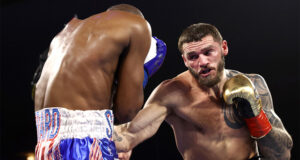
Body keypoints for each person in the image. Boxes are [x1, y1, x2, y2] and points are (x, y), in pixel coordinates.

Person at [113, 23, 293, 160]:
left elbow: (282, 154)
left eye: (208, 52)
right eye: (193, 57)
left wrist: (255, 115)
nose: (203, 62)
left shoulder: (254, 83)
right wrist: (90, 118)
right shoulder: (172, 93)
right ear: (184, 60)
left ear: (224, 48)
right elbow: (129, 135)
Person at [33, 4, 166, 160]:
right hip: (84, 143)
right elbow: (126, 113)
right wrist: (143, 73)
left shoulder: (65, 33)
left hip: (45, 144)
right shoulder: (137, 25)